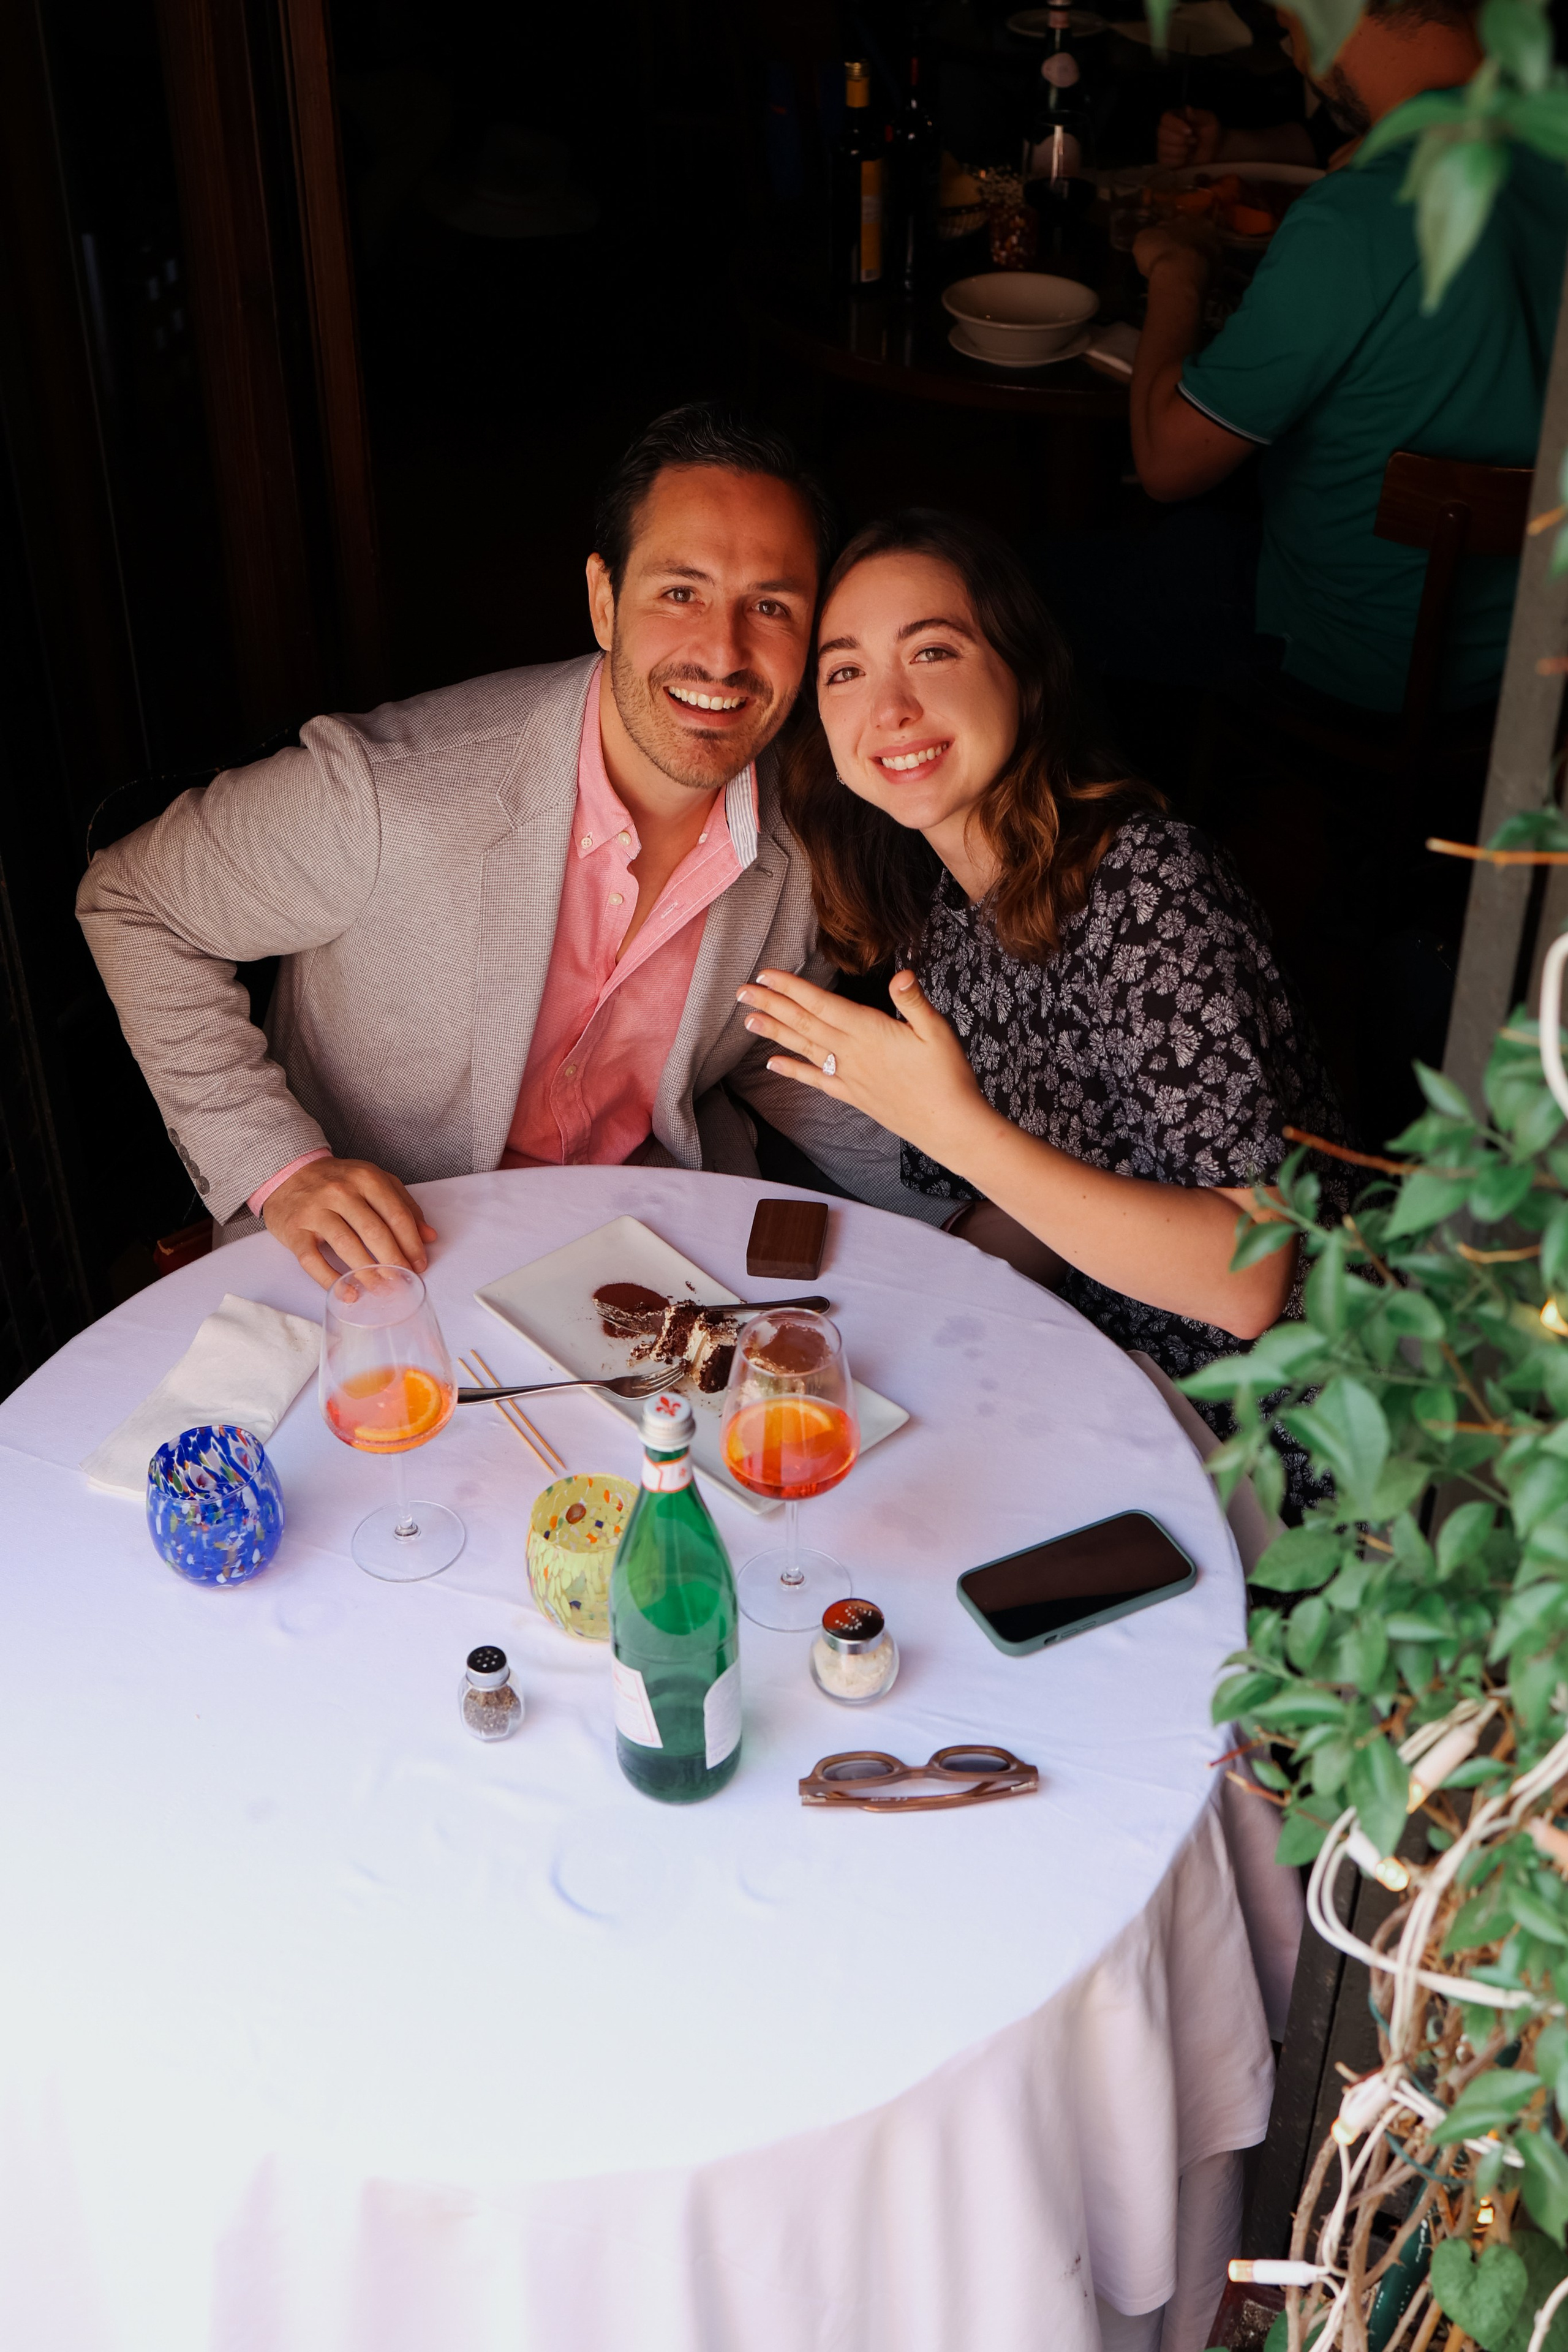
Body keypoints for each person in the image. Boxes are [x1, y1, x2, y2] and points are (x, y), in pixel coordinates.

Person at [78, 405, 944, 1290]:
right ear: (605, 601)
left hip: (649, 1254)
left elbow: (773, 1048)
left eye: (770, 606)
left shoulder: (804, 841)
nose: (722, 653)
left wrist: (963, 1203)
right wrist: (282, 1169)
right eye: (680, 593)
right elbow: (132, 902)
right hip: (389, 1262)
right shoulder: (391, 793)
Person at [736, 510, 1350, 1496]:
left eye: (932, 651)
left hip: (1294, 1434)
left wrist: (949, 1124)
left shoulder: (1146, 884)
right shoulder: (942, 917)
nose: (888, 706)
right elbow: (1037, 1202)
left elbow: (1249, 1281)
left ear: (1022, 670)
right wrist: (883, 1332)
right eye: (845, 671)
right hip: (1111, 1384)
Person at [1131, 0, 1567, 715]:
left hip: (1357, 666)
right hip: (1538, 673)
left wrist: (1177, 274)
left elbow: (1164, 464)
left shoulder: (1360, 216)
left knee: (1015, 591)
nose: (1291, 43)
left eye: (1286, 20)